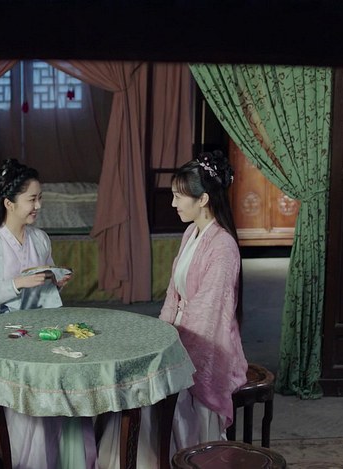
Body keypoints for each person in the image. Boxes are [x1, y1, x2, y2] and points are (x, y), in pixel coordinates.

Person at [97, 150, 247, 468]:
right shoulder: (192, 232)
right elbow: (172, 296)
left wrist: (169, 356)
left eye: (179, 196)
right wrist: (158, 339)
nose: (173, 203)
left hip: (206, 348)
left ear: (203, 199)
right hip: (179, 338)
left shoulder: (223, 247)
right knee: (132, 384)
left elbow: (207, 318)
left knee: (147, 391)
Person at [0, 158, 93, 469]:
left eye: (39, 198)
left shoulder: (40, 239)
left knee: (45, 402)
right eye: (32, 199)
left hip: (38, 334)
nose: (38, 206)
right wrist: (17, 283)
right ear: (9, 203)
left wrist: (56, 280)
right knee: (12, 410)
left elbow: (46, 285)